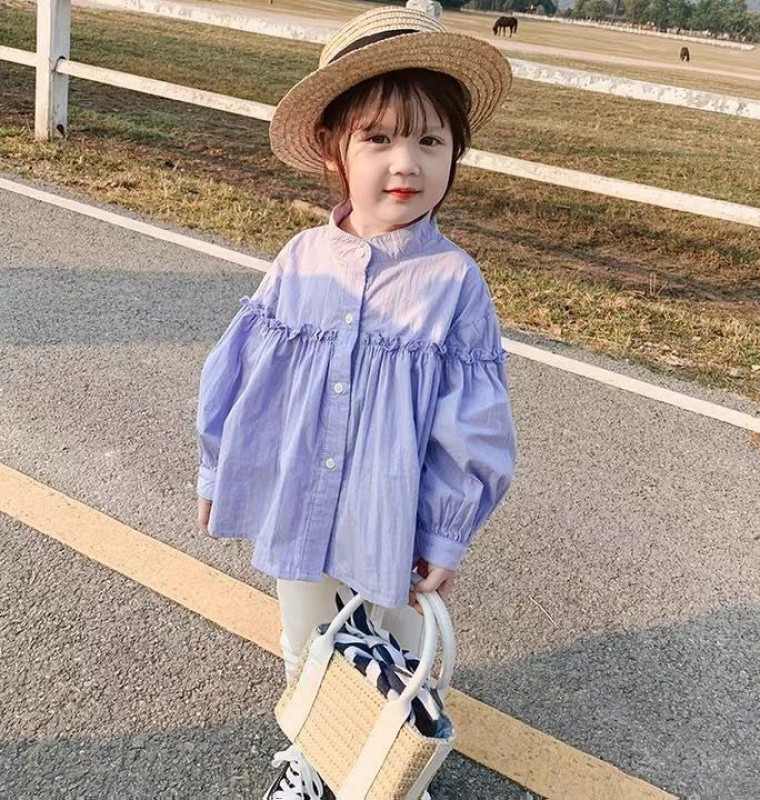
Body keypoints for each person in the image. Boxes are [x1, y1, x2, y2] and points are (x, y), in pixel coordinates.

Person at [195, 7, 516, 799]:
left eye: (430, 141)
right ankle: (315, 756)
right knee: (306, 639)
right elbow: (241, 375)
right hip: (298, 502)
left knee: (397, 649)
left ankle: (386, 769)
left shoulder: (453, 283)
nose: (406, 163)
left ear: (456, 152)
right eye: (378, 138)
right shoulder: (302, 260)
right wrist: (216, 469)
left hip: (389, 516)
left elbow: (471, 422)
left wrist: (445, 531)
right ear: (333, 147)